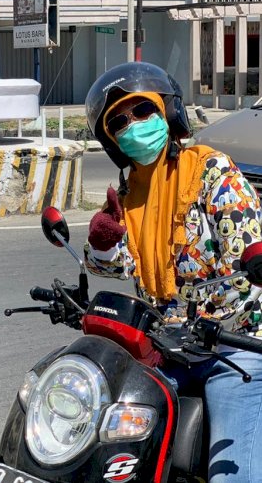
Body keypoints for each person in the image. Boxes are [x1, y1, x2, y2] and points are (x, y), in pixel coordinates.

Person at [84, 61, 262, 482]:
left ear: (167, 110)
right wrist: (103, 242)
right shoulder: (127, 195)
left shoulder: (211, 170)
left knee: (231, 476)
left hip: (234, 347)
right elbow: (118, 266)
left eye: (142, 111)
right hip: (168, 348)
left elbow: (245, 243)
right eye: (119, 122)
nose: (133, 126)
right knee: (110, 453)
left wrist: (254, 259)